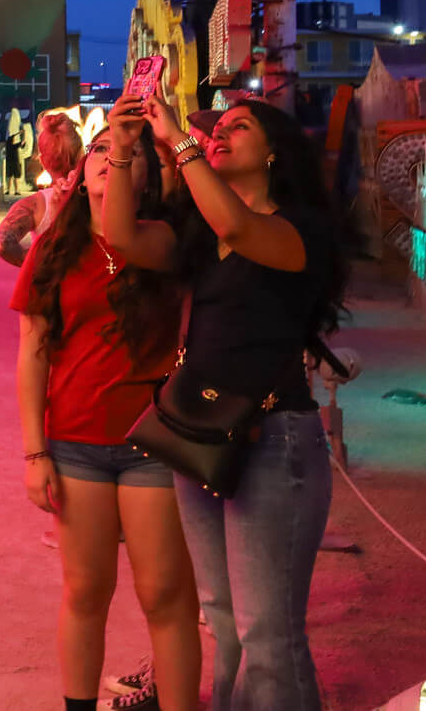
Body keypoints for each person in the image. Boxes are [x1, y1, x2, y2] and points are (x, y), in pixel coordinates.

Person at [101, 95, 349, 711]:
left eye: (239, 127)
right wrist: (123, 146)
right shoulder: (199, 234)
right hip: (199, 433)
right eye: (216, 128)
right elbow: (119, 235)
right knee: (226, 619)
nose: (218, 134)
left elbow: (240, 228)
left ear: (273, 152)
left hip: (274, 440)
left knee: (269, 634)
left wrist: (179, 143)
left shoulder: (300, 229)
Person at [14, 130, 195, 711]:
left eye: (126, 153)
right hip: (75, 440)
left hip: (154, 441)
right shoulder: (54, 250)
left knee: (164, 594)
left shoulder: (164, 242)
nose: (108, 159)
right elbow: (33, 350)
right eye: (99, 150)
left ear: (146, 173)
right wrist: (34, 450)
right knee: (86, 591)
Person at [0, 113, 88, 268]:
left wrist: (39, 263)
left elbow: (3, 244)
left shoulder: (35, 204)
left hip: (50, 288)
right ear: (82, 154)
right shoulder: (99, 194)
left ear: (42, 160)